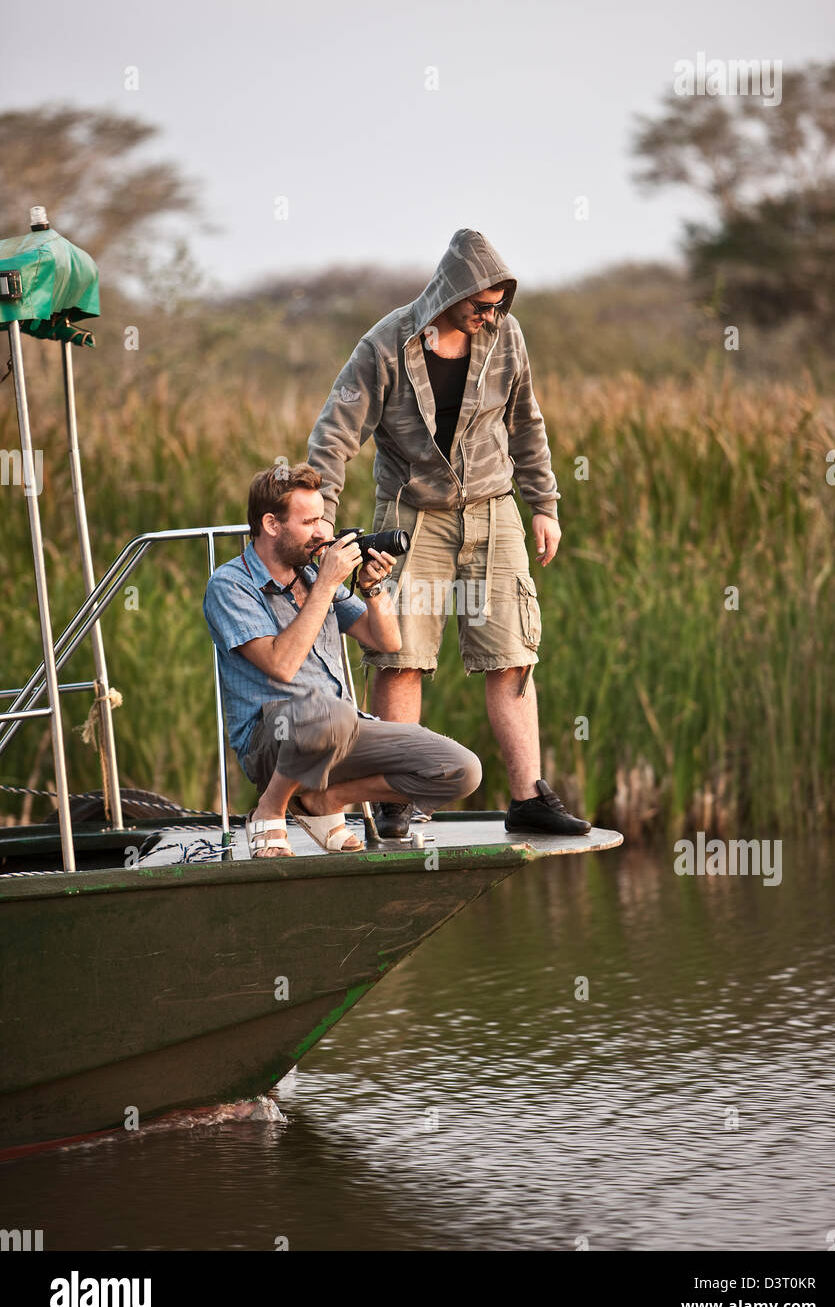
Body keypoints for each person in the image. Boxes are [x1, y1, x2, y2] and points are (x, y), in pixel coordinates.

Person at [307, 228, 591, 839]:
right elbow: (334, 433)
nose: (491, 316)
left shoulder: (506, 336)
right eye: (481, 305)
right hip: (411, 517)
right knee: (400, 656)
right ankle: (394, 802)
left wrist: (545, 504)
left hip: (494, 509)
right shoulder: (384, 344)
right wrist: (322, 517)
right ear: (451, 291)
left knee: (513, 656)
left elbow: (526, 423)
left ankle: (529, 800)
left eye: (498, 306)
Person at [203, 463, 482, 857]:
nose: (324, 532)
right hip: (273, 740)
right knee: (331, 714)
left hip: (339, 728)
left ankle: (325, 800)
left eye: (323, 519)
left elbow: (386, 639)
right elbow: (281, 665)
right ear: (270, 524)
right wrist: (329, 583)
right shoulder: (230, 585)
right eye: (310, 521)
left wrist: (371, 588)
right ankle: (271, 809)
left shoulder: (314, 576)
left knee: (460, 769)